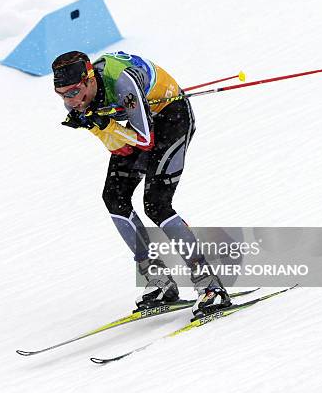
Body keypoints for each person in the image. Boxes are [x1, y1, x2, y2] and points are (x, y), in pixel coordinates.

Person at [52, 50, 230, 317]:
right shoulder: (76, 98)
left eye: (74, 92)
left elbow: (145, 140)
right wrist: (98, 126)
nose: (70, 101)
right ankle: (159, 280)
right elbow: (119, 147)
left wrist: (104, 123)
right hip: (139, 123)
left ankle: (210, 286)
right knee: (115, 198)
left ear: (89, 79)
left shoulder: (123, 81)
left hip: (171, 117)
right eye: (62, 95)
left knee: (157, 204)